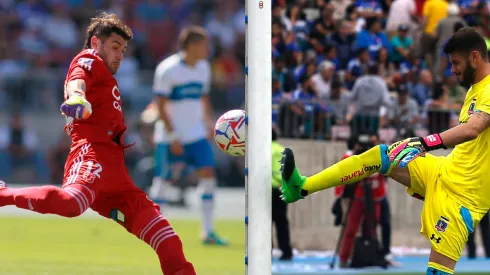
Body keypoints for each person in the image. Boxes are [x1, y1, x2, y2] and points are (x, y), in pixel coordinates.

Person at [280, 28, 490, 275]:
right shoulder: (475, 89)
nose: (452, 70)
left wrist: (424, 143)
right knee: (380, 155)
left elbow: (473, 129)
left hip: (462, 199)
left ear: (475, 57)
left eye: (456, 63)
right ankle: (301, 187)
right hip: (444, 170)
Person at [0, 12, 196, 275]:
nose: (120, 55)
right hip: (91, 155)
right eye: (115, 47)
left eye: (123, 50)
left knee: (166, 237)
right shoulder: (89, 59)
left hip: (117, 175)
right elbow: (77, 81)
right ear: (96, 43)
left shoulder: (107, 77)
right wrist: (77, 97)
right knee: (72, 204)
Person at [150, 26, 227, 245]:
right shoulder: (168, 69)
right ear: (192, 45)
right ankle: (154, 230)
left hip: (196, 135)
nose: (208, 49)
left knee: (209, 177)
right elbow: (160, 105)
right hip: (170, 136)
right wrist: (173, 135)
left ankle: (208, 231)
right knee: (163, 181)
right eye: (204, 44)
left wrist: (210, 124)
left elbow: (203, 98)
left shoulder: (203, 68)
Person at [271, 127, 293, 261]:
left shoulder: (262, 151)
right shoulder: (282, 150)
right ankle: (286, 252)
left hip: (268, 189)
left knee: (265, 222)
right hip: (282, 189)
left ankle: (266, 251)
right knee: (282, 222)